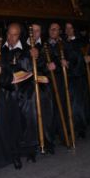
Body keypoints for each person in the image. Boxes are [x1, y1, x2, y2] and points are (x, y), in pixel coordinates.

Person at [0, 23, 36, 169]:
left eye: (14, 35)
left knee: (27, 122)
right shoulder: (1, 50)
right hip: (7, 93)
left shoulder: (26, 50)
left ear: (20, 36)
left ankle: (30, 150)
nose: (11, 38)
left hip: (24, 93)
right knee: (11, 125)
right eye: (9, 34)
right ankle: (14, 154)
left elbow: (28, 70)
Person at [28, 22, 56, 154]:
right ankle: (32, 146)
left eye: (37, 31)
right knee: (31, 116)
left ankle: (47, 141)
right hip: (27, 88)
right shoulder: (23, 45)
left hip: (43, 86)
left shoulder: (45, 46)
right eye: (32, 30)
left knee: (46, 114)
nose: (34, 33)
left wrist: (48, 66)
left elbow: (47, 64)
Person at [64, 22, 88, 139]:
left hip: (77, 76)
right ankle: (69, 127)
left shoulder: (80, 42)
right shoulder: (62, 43)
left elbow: (80, 57)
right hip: (65, 77)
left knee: (77, 104)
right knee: (68, 103)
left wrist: (71, 63)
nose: (68, 30)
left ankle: (80, 127)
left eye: (70, 28)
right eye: (66, 28)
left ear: (74, 29)